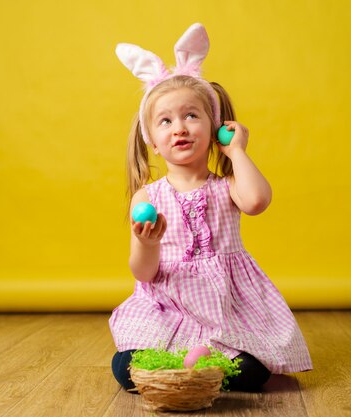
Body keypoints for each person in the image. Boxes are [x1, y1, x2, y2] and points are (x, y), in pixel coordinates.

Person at [109, 23, 312, 392]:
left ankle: (208, 361)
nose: (179, 128)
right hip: (168, 307)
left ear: (215, 127)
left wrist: (236, 151)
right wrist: (148, 243)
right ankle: (182, 369)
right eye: (165, 121)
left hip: (226, 308)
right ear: (152, 141)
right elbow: (142, 273)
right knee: (125, 367)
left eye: (191, 116)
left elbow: (257, 201)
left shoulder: (229, 187)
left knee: (256, 372)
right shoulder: (147, 198)